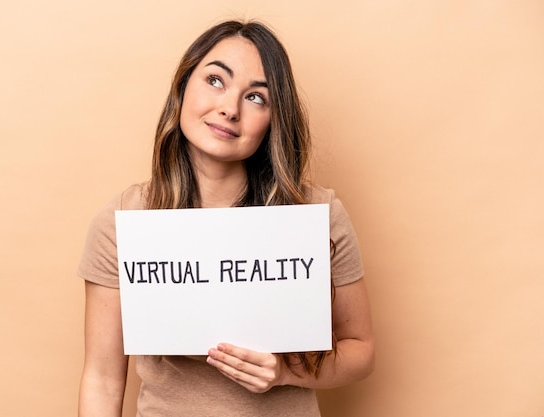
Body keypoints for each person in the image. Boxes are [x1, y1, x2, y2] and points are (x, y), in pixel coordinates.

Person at [77, 20, 374, 417]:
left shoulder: (316, 215)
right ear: (183, 87)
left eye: (255, 98)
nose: (229, 109)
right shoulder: (122, 222)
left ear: (273, 119)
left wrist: (287, 371)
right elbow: (102, 379)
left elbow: (361, 349)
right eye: (215, 80)